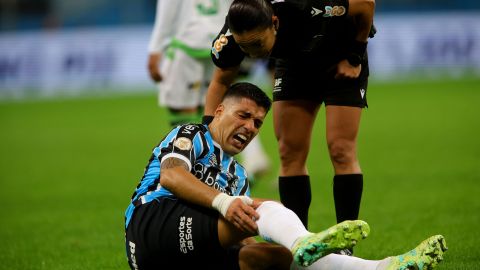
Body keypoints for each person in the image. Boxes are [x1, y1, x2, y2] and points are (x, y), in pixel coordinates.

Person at [124, 82, 447, 269]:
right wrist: (225, 203)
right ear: (220, 111)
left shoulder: (238, 175)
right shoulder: (192, 134)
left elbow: (241, 235)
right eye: (243, 115)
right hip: (150, 229)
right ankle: (303, 240)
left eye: (257, 123)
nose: (250, 127)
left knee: (276, 258)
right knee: (258, 208)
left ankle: (383, 268)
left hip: (189, 258)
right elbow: (171, 177)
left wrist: (272, 251)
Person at [204, 0, 376, 235]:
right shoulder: (233, 38)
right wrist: (207, 136)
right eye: (245, 48)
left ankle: (347, 243)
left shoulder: (307, 5)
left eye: (256, 44)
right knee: (289, 152)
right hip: (296, 66)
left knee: (341, 149)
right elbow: (219, 82)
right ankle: (299, 242)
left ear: (274, 23)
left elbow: (366, 4)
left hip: (341, 56)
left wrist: (355, 56)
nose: (252, 54)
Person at [147, 0, 270, 180]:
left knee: (182, 111)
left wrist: (154, 49)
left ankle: (189, 166)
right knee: (226, 106)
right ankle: (253, 157)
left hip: (188, 41)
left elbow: (167, 10)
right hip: (222, 40)